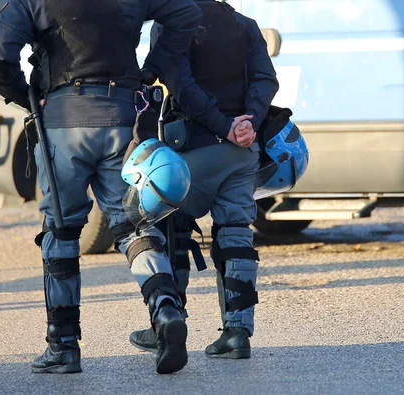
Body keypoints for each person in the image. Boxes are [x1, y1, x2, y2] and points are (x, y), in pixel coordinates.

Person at [0, 0, 207, 374]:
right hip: (123, 120)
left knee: (62, 230)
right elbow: (187, 13)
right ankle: (165, 309)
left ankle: (63, 345)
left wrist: (25, 96)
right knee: (135, 226)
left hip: (64, 122)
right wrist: (151, 70)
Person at [129, 0, 280, 359]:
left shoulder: (171, 24)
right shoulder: (245, 24)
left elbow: (181, 86)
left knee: (170, 226)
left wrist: (222, 126)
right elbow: (266, 80)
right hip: (242, 152)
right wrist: (247, 124)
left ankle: (169, 322)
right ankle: (238, 333)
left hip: (192, 150)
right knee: (236, 233)